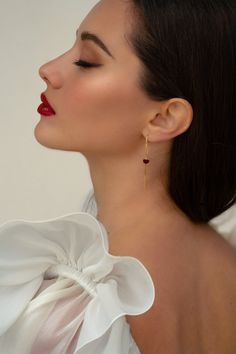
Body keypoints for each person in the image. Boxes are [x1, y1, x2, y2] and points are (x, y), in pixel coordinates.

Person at [0, 0, 236, 353]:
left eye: (87, 61)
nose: (48, 70)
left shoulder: (79, 313)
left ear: (164, 118)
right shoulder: (222, 256)